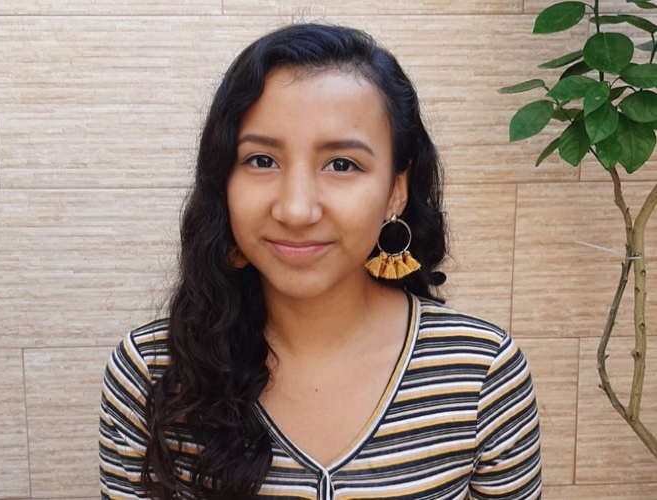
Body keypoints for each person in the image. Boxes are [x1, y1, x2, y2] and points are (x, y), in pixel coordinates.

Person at [99, 23, 542, 500]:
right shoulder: (150, 373)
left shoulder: (481, 372)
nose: (296, 210)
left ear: (396, 189)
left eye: (342, 164)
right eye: (261, 160)